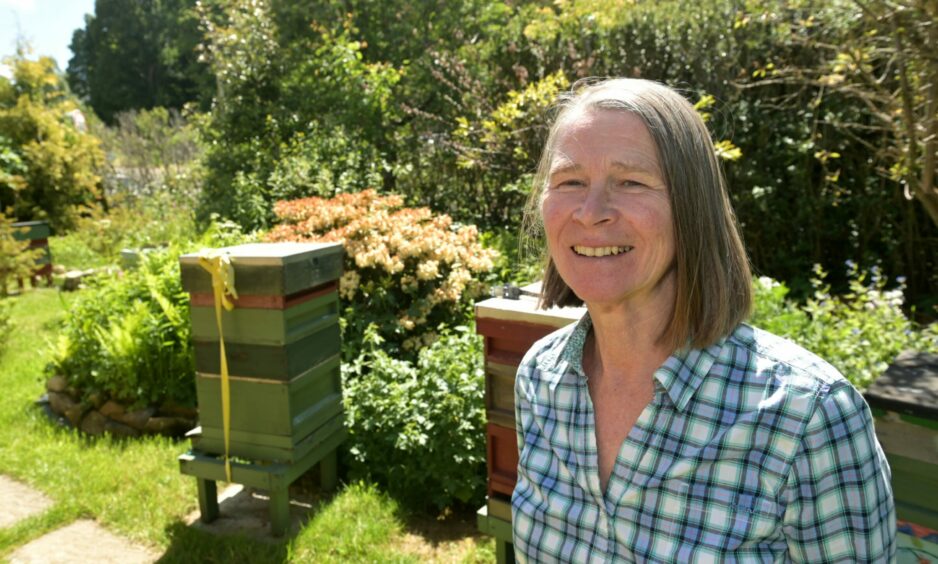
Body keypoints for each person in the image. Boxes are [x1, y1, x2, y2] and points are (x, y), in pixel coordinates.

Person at [512, 78, 896, 562]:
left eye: (630, 181)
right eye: (570, 182)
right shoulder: (539, 380)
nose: (591, 213)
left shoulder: (809, 418)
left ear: (693, 208)